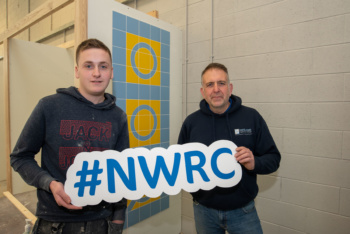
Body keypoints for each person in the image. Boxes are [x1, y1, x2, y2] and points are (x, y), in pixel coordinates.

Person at [10, 38, 129, 234]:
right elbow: (20, 157)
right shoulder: (49, 107)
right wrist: (49, 184)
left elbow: (120, 171)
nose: (97, 73)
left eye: (103, 66)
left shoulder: (118, 117)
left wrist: (118, 220)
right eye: (88, 65)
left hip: (102, 221)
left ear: (111, 72)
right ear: (77, 71)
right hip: (54, 222)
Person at [178, 63, 281, 234]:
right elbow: (180, 164)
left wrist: (254, 162)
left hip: (243, 212)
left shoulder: (251, 118)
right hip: (203, 211)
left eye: (221, 83)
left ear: (230, 88)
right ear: (203, 91)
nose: (216, 89)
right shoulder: (191, 123)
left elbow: (273, 159)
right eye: (210, 84)